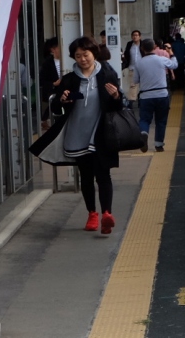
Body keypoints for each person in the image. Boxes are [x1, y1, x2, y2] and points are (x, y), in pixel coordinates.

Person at [28, 36, 123, 235]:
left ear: (93, 53)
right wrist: (62, 100)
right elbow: (55, 107)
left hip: (101, 134)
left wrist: (116, 97)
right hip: (78, 134)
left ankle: (107, 213)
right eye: (78, 56)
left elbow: (117, 106)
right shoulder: (70, 79)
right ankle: (92, 214)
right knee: (86, 176)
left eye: (85, 54)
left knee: (103, 174)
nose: (82, 59)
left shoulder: (107, 74)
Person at [133, 37, 177, 152]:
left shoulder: (139, 63)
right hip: (162, 94)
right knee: (161, 121)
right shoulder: (161, 60)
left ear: (142, 48)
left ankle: (144, 133)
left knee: (144, 120)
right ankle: (158, 145)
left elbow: (135, 80)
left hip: (146, 96)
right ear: (154, 47)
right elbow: (174, 65)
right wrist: (171, 54)